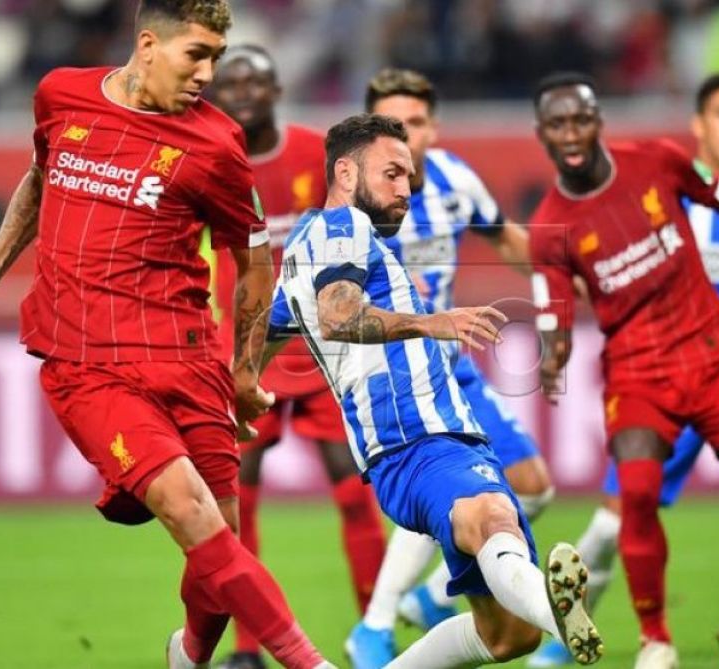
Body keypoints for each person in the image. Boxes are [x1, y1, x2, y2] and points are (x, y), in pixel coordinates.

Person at [0, 3, 333, 668]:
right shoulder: (61, 95)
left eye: (216, 57)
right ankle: (311, 662)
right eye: (197, 55)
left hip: (187, 358)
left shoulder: (215, 143)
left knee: (222, 545)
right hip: (88, 363)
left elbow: (254, 257)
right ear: (148, 44)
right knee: (193, 513)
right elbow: (41, 179)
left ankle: (188, 656)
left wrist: (243, 371)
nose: (209, 73)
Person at [268, 112, 603, 668]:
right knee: (494, 515)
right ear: (346, 174)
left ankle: (539, 614)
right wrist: (433, 322)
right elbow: (337, 316)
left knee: (505, 638)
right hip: (419, 436)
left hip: (413, 445)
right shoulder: (343, 226)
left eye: (411, 176)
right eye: (393, 174)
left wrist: (242, 386)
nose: (408, 188)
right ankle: (554, 608)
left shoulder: (309, 244)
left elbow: (269, 328)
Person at [528, 71, 719, 667]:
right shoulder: (551, 225)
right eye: (557, 123)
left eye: (580, 119)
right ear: (541, 133)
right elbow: (550, 307)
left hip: (714, 355)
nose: (571, 133)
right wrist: (552, 352)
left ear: (598, 122)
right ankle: (656, 638)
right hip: (638, 373)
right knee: (636, 494)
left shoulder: (658, 163)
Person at [345, 67, 556, 669]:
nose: (404, 136)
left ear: (433, 128)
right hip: (390, 377)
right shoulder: (357, 202)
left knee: (532, 484)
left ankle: (423, 600)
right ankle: (381, 622)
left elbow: (509, 240)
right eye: (390, 125)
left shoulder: (455, 182)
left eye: (414, 122)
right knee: (443, 493)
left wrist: (556, 289)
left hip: (450, 363)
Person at [206, 45, 387, 669]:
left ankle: (374, 631)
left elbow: (368, 225)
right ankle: (248, 646)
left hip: (325, 354)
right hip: (246, 356)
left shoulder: (320, 152)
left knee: (354, 491)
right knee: (238, 500)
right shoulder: (207, 157)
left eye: (256, 79)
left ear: (278, 87)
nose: (246, 90)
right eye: (233, 81)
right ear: (216, 93)